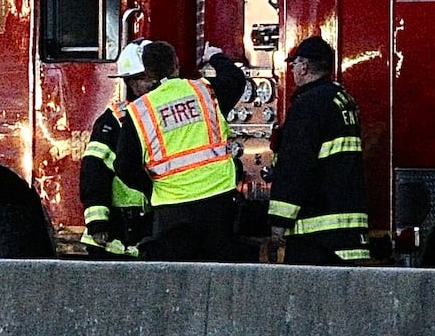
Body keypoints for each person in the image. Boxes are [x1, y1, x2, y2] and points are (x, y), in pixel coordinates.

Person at [111, 39, 247, 261]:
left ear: (147, 70)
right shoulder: (204, 92)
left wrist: (153, 188)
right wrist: (215, 56)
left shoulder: (139, 111)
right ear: (176, 64)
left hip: (171, 210)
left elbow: (124, 166)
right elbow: (235, 78)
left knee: (176, 281)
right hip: (217, 202)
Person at [267, 35, 370, 264]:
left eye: (294, 65)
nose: (292, 70)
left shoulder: (307, 106)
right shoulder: (342, 99)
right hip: (345, 233)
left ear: (304, 67)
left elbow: (295, 167)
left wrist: (279, 222)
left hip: (315, 236)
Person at [80, 40, 152, 258]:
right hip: (115, 235)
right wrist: (98, 222)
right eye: (145, 78)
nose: (152, 84)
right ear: (131, 82)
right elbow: (94, 171)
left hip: (147, 227)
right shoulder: (114, 121)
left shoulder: (158, 115)